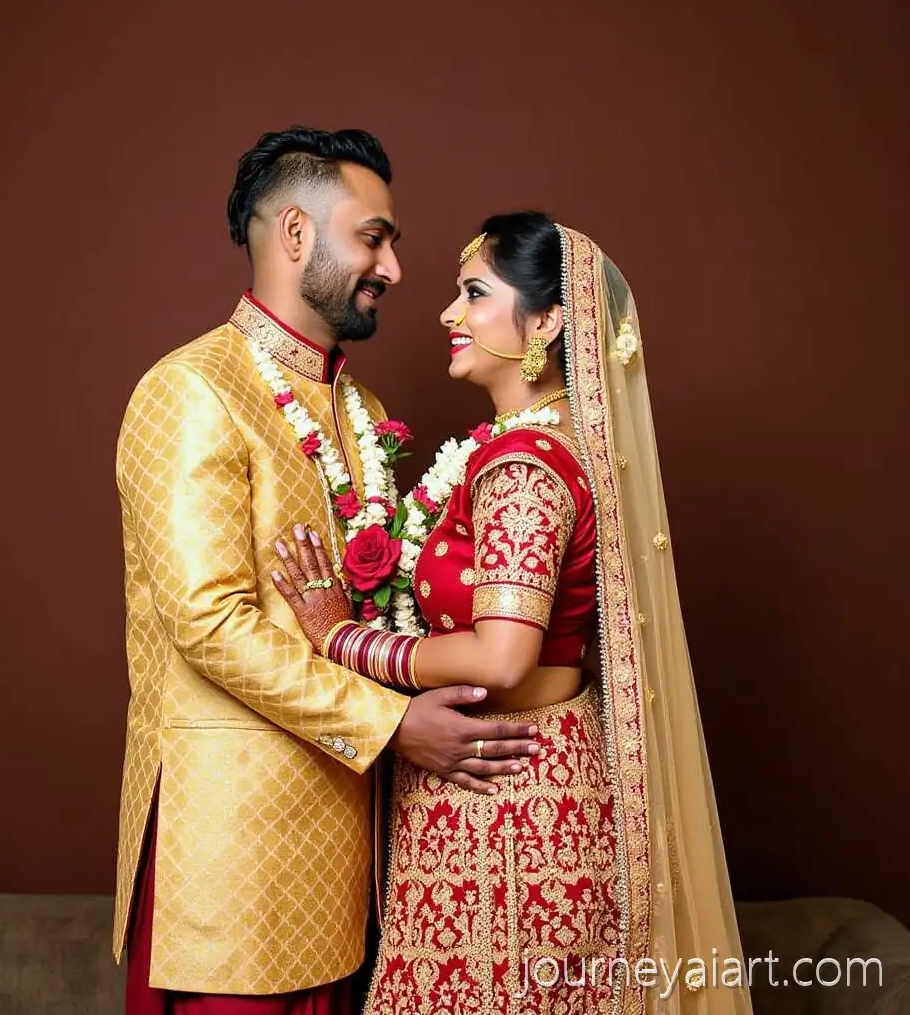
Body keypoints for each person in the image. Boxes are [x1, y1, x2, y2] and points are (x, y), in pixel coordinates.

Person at [272, 213, 754, 1013]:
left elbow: (501, 658)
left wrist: (341, 638)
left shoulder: (524, 463)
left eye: (473, 294)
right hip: (528, 781)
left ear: (548, 320)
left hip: (508, 810)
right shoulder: (553, 442)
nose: (448, 314)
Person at [111, 129, 541, 1015]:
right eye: (373, 238)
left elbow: (378, 616)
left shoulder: (362, 409)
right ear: (297, 233)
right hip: (232, 868)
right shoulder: (192, 389)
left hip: (352, 867)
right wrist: (394, 724)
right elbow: (208, 624)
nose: (394, 268)